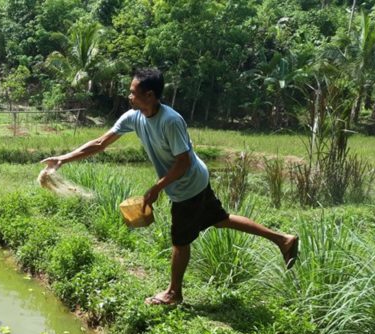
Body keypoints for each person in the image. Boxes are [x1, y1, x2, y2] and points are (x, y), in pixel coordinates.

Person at [41, 68, 299, 306]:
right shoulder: (134, 117)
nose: (129, 96)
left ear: (149, 95)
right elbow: (99, 142)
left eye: (133, 92)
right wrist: (63, 159)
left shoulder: (171, 121)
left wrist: (157, 188)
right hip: (191, 181)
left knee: (180, 241)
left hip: (188, 185)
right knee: (221, 219)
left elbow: (183, 162)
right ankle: (283, 239)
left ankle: (174, 293)